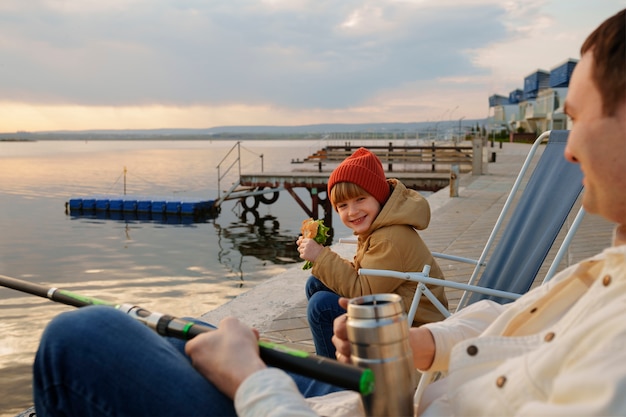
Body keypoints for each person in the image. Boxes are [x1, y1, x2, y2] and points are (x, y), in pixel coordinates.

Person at [33, 8, 626, 416]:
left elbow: (365, 281)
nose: (567, 146)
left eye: (576, 118)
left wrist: (253, 381)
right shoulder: (611, 270)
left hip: (391, 401)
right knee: (186, 338)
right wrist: (420, 343)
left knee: (80, 338)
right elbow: (511, 321)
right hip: (403, 384)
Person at [296, 147, 447, 357]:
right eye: (342, 205)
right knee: (316, 283)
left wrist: (321, 257)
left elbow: (362, 293)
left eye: (360, 199)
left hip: (413, 326)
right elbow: (366, 277)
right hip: (394, 308)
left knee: (321, 306)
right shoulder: (378, 229)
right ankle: (338, 358)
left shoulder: (388, 238)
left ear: (378, 196)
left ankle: (334, 379)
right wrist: (321, 259)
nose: (352, 211)